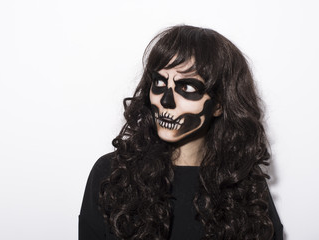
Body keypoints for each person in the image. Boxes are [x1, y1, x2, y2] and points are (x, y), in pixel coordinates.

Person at [79, 25, 283, 239]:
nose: (165, 101)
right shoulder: (112, 173)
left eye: (187, 88)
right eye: (159, 82)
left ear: (219, 105)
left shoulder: (243, 183)